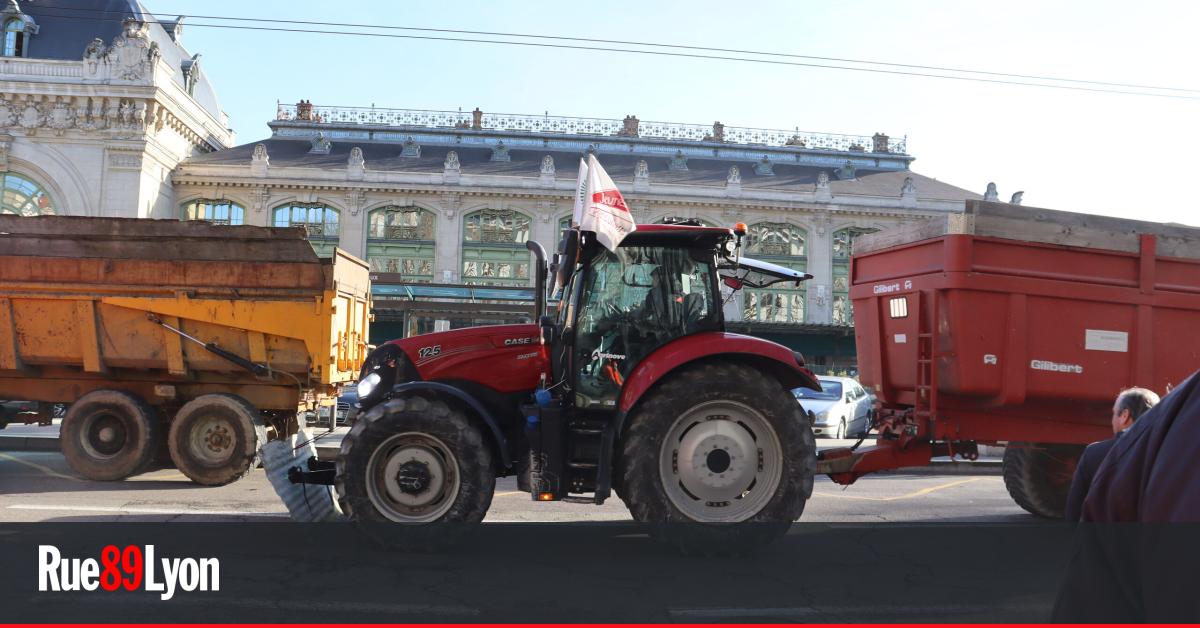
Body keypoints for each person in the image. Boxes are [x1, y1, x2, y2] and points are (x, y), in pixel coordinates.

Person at [1063, 387, 1160, 521]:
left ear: (1124, 416)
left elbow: (1074, 512)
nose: (1112, 420)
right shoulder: (1166, 454)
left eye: (1114, 413)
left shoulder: (1094, 453)